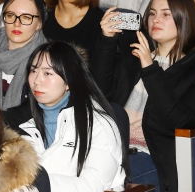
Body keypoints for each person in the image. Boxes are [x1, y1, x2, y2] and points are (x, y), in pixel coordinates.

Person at [91, 0, 195, 191]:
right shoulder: (134, 56)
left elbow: (180, 120)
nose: (156, 19)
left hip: (152, 157)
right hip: (110, 150)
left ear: (185, 18)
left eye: (166, 14)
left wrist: (150, 68)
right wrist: (107, 41)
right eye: (152, 13)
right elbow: (99, 95)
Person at [21, 41, 126, 191]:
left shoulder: (98, 124)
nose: (37, 81)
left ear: (69, 80)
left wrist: (42, 184)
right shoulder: (24, 125)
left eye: (48, 73)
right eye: (33, 71)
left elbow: (94, 185)